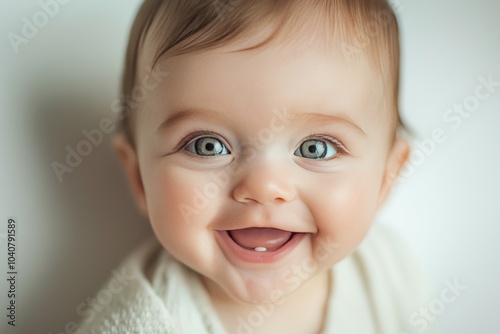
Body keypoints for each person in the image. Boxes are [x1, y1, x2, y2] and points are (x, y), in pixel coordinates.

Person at [77, 0, 431, 333]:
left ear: (386, 178)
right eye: (207, 146)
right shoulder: (138, 321)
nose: (263, 186)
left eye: (316, 148)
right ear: (139, 178)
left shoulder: (389, 272)